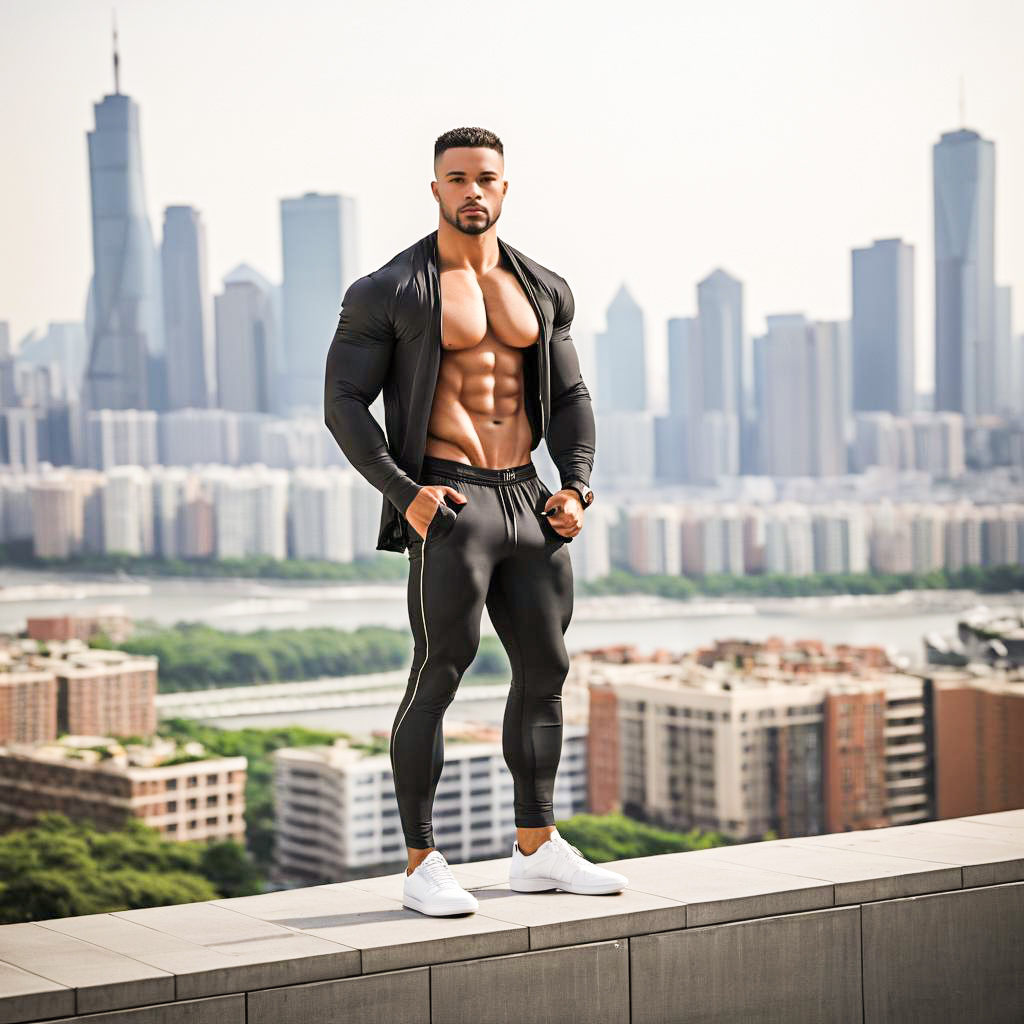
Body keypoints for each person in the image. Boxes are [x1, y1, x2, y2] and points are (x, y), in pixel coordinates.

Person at [324, 126, 627, 915]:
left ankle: (536, 848)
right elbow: (343, 404)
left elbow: (569, 398)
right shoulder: (388, 289)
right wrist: (406, 493)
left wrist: (578, 486)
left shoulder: (543, 288)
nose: (471, 191)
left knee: (546, 668)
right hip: (450, 501)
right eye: (455, 178)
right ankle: (423, 862)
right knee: (442, 667)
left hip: (530, 497)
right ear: (434, 188)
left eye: (485, 178)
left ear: (504, 186)